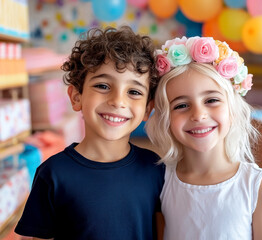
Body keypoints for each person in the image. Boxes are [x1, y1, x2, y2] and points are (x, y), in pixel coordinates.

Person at [15, 26, 165, 240]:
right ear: (76, 97)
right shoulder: (53, 174)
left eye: (133, 92)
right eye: (103, 86)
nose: (118, 101)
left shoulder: (155, 169)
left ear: (147, 109)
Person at [146, 36, 262, 240]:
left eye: (211, 100)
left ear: (233, 110)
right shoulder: (162, 182)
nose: (198, 115)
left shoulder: (259, 189)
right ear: (166, 119)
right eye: (181, 105)